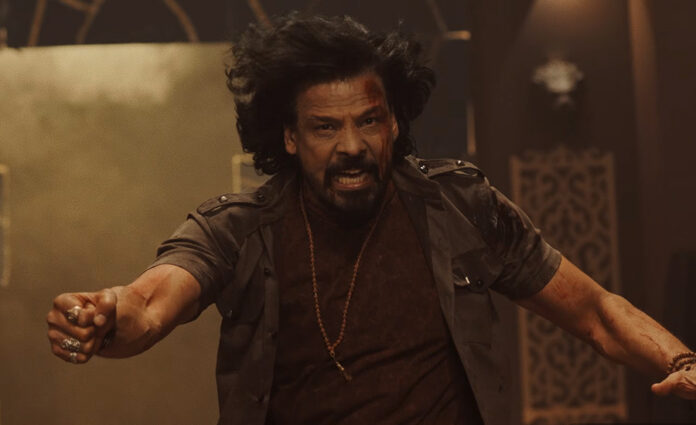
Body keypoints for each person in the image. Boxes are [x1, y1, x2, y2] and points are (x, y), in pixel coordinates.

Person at [46, 13, 696, 425]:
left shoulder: (461, 206)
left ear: (394, 125)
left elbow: (596, 311)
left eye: (369, 120)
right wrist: (108, 315)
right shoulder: (239, 229)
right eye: (326, 127)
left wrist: (681, 358)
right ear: (290, 138)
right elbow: (151, 304)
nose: (352, 145)